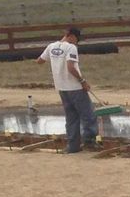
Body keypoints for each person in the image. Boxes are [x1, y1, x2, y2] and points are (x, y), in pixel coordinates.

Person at [37, 24, 98, 153]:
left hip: (62, 88)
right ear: (71, 36)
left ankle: (73, 146)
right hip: (75, 87)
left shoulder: (51, 46)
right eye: (77, 39)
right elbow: (71, 67)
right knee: (88, 115)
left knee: (71, 117)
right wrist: (83, 81)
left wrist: (55, 62)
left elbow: (40, 61)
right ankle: (90, 142)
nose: (77, 42)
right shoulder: (71, 48)